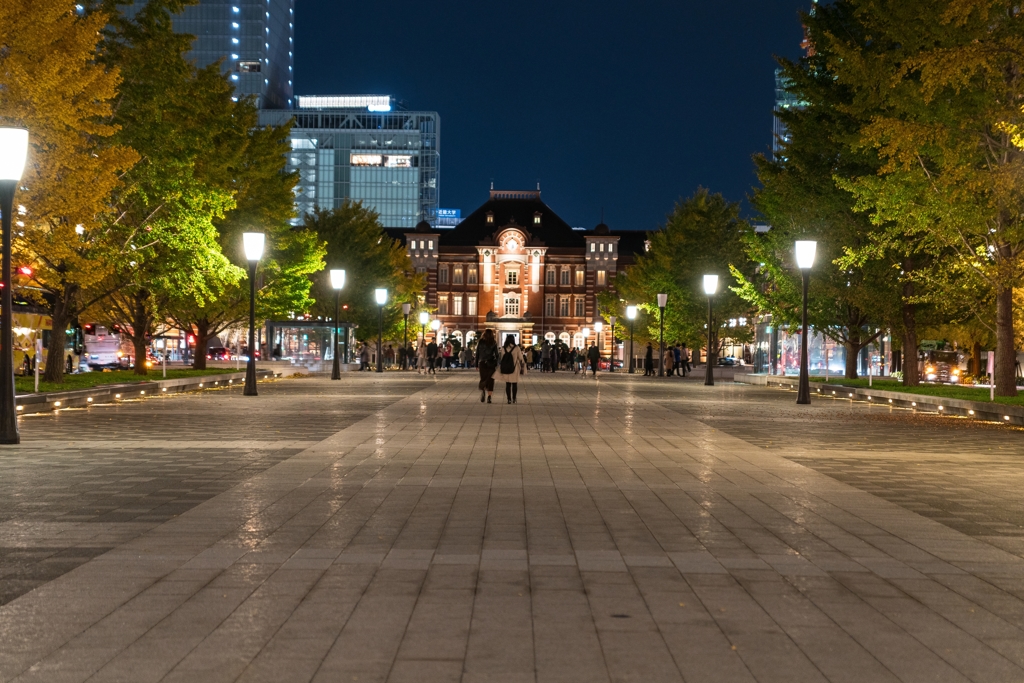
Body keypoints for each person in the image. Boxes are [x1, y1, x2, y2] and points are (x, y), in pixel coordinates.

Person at [497, 334, 526, 404]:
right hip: (514, 368)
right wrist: (523, 366)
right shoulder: (517, 348)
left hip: (506, 368)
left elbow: (501, 358)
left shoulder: (503, 348)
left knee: (508, 384)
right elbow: (521, 358)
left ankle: (508, 399)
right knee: (514, 384)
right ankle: (514, 399)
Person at [476, 329, 499, 403]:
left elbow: (477, 354)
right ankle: (489, 397)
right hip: (491, 363)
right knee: (491, 380)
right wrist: (498, 363)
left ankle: (483, 390)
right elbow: (497, 354)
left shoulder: (480, 342)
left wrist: (476, 364)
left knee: (483, 378)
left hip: (482, 363)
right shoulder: (493, 342)